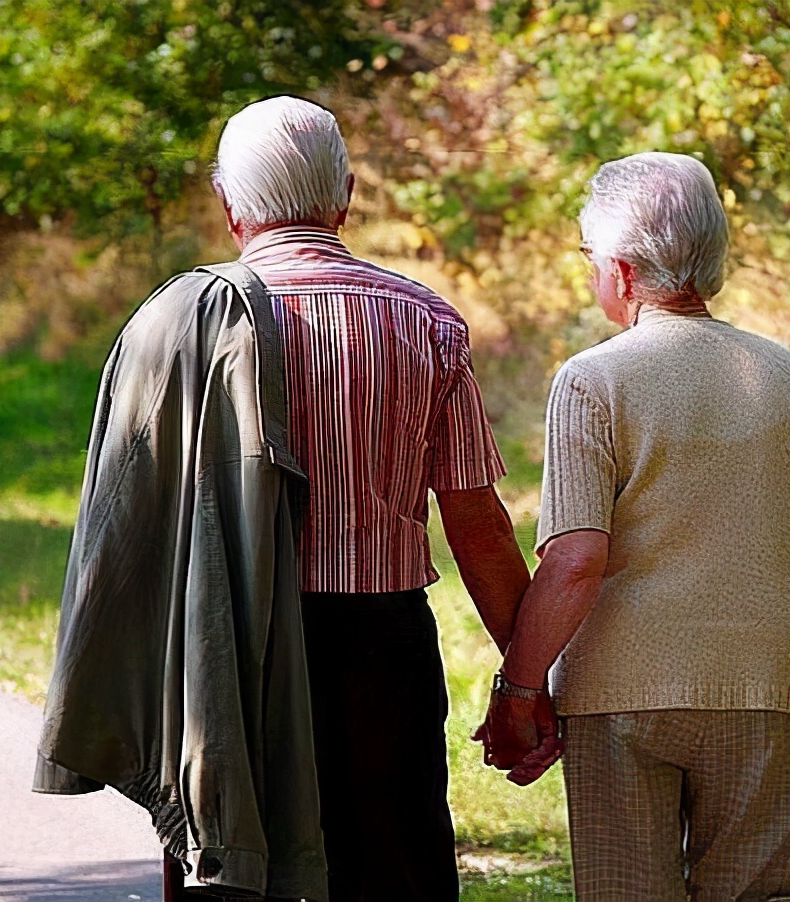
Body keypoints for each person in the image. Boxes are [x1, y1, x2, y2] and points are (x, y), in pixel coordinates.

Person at [37, 96, 529, 902]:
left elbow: (129, 519)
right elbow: (475, 521)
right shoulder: (424, 319)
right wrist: (525, 682)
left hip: (229, 643)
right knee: (391, 865)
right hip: (381, 646)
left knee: (232, 870)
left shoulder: (176, 320)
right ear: (346, 195)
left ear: (231, 207)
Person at [477, 151, 790, 902]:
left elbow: (575, 562)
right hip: (776, 689)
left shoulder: (592, 381)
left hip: (620, 692)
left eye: (589, 257)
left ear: (624, 273)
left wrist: (519, 687)